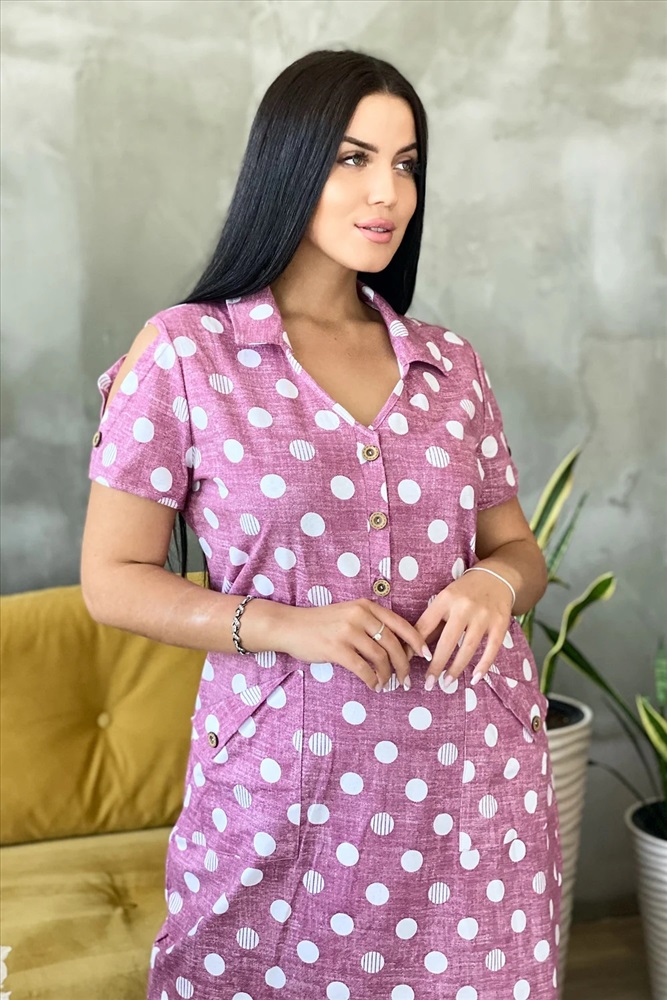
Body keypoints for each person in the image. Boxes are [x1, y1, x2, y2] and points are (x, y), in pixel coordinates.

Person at [81, 48, 562, 1000]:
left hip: (475, 786)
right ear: (290, 163)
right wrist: (287, 625)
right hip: (283, 792)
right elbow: (112, 579)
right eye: (353, 158)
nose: (387, 192)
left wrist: (493, 581)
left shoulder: (449, 364)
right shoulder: (186, 351)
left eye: (406, 163)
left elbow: (518, 550)